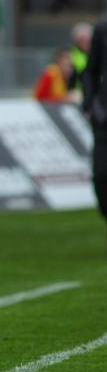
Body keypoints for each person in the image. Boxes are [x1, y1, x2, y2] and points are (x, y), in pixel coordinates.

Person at [82, 18, 107, 249]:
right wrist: (89, 105)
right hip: (103, 116)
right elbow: (90, 71)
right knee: (101, 173)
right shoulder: (102, 29)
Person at [68, 23, 92, 93]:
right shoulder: (70, 56)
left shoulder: (96, 54)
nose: (87, 42)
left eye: (89, 39)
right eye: (83, 39)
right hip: (78, 94)